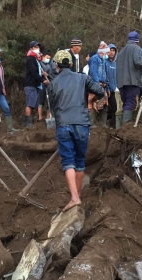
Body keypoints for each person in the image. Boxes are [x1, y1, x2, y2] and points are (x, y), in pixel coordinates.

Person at [47, 50, 105, 211]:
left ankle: (74, 198)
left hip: (64, 124)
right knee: (79, 161)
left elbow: (52, 108)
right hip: (82, 123)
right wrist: (90, 100)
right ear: (71, 63)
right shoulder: (82, 78)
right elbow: (100, 91)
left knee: (68, 161)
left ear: (57, 65)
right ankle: (76, 196)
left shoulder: (53, 84)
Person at [23, 41, 49, 127]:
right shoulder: (30, 59)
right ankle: (28, 123)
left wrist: (43, 74)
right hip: (30, 84)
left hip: (35, 85)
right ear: (31, 49)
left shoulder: (36, 59)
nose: (37, 49)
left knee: (33, 104)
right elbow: (33, 72)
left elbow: (38, 71)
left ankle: (27, 122)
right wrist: (42, 80)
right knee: (30, 104)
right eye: (35, 47)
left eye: (38, 47)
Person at [88, 42, 111, 128]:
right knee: (94, 102)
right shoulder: (94, 59)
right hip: (95, 86)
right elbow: (93, 73)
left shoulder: (103, 60)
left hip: (103, 85)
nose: (109, 54)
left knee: (104, 104)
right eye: (107, 52)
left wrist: (107, 86)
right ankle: (91, 124)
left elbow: (105, 73)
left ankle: (103, 124)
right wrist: (97, 84)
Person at [105, 44, 120, 128]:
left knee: (115, 107)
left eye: (113, 50)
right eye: (110, 50)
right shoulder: (105, 63)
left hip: (115, 89)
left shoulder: (116, 64)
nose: (111, 52)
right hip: (107, 89)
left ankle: (113, 125)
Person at [38, 51, 53, 122]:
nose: (48, 59)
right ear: (43, 57)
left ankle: (48, 117)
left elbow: (51, 75)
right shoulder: (39, 64)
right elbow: (37, 73)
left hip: (48, 84)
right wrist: (42, 75)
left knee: (49, 101)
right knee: (41, 101)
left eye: (49, 58)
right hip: (41, 84)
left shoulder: (49, 65)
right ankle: (40, 117)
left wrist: (48, 76)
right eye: (47, 57)